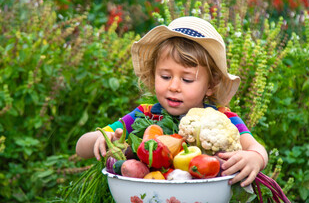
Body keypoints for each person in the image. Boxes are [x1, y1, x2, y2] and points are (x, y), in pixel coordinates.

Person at [76, 16, 268, 186]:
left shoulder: (223, 119)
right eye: (166, 77)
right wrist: (101, 138)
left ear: (210, 85)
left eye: (187, 80)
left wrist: (255, 157)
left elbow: (255, 146)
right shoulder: (144, 115)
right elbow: (80, 148)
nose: (174, 86)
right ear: (153, 76)